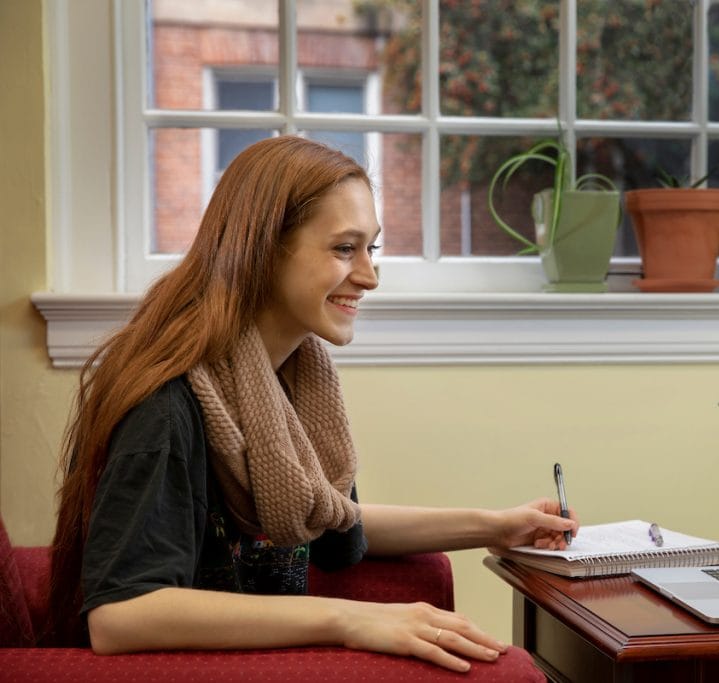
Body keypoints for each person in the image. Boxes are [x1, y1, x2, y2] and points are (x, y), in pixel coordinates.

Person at [46, 135, 579, 673]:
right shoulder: (167, 403)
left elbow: (330, 518)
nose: (369, 277)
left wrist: (495, 526)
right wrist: (351, 620)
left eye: (371, 249)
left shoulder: (281, 379)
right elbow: (121, 614)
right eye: (344, 249)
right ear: (261, 249)